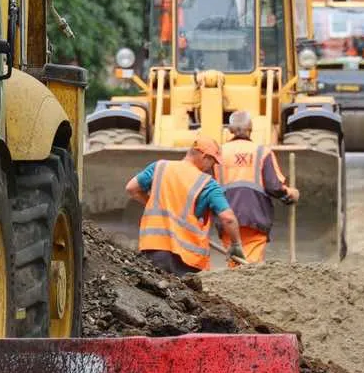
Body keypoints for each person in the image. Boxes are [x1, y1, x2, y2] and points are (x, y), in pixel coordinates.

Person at [125, 136, 243, 276]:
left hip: (154, 249)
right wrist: (236, 244)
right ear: (204, 157)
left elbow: (131, 188)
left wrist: (154, 203)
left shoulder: (160, 167)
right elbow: (228, 218)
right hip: (186, 260)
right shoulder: (207, 183)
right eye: (212, 162)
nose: (212, 167)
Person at [216, 111, 298, 267]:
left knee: (235, 264)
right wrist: (291, 193)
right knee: (251, 266)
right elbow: (274, 187)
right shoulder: (262, 152)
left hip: (226, 217)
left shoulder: (218, 153)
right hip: (255, 217)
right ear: (250, 129)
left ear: (230, 131)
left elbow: (206, 185)